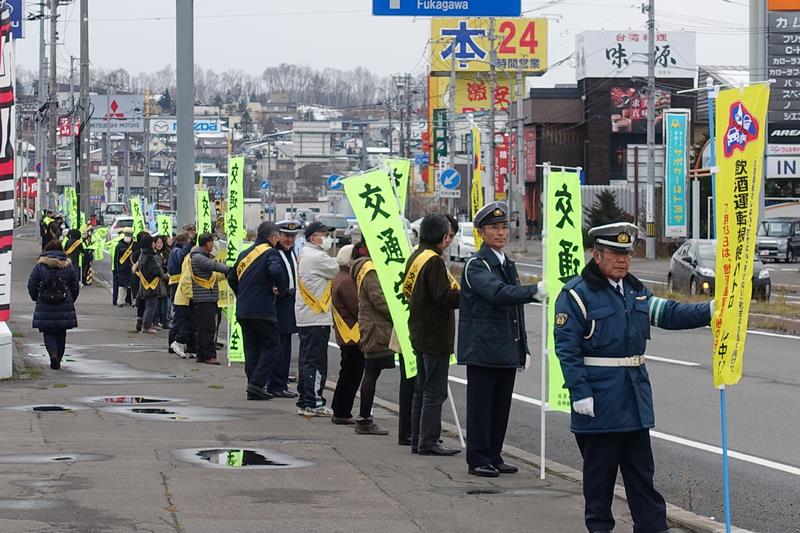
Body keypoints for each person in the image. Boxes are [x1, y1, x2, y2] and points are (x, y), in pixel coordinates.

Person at [553, 222, 712, 533]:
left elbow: (669, 313)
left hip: (635, 400)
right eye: (615, 253)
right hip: (599, 403)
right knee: (599, 481)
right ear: (596, 255)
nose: (623, 260)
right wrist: (580, 392)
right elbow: (567, 349)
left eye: (626, 254)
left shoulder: (636, 292)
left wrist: (711, 310)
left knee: (642, 475)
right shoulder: (576, 295)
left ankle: (652, 528)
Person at [457, 201, 545, 478]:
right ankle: (478, 458)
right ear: (482, 233)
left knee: (500, 407)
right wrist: (535, 290)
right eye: (494, 228)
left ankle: (494, 454)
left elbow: (515, 312)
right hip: (483, 349)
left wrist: (524, 349)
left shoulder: (507, 263)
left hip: (506, 348)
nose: (501, 233)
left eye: (504, 227)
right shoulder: (476, 265)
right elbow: (498, 294)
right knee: (481, 408)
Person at [405, 214, 461, 456]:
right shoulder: (434, 261)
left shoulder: (416, 256)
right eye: (447, 234)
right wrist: (465, 294)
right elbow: (444, 297)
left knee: (420, 390)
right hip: (435, 334)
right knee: (434, 391)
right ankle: (429, 441)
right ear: (439, 236)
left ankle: (418, 439)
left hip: (419, 330)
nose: (448, 239)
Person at [228, 221, 287, 400]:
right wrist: (281, 290)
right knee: (272, 345)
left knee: (251, 348)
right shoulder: (271, 253)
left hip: (244, 308)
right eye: (278, 237)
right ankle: (257, 383)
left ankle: (253, 386)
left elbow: (231, 276)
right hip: (262, 308)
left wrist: (242, 293)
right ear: (272, 237)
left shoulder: (245, 253)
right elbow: (276, 272)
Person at [294, 221, 338, 417]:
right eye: (324, 234)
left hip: (308, 316)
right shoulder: (317, 257)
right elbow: (340, 267)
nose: (328, 238)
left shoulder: (306, 253)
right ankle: (314, 402)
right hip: (315, 317)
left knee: (306, 360)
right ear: (313, 237)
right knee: (316, 361)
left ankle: (305, 400)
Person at [351, 244, 394, 436]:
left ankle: (364, 418)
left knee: (371, 371)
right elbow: (379, 300)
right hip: (376, 328)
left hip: (373, 327)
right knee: (372, 371)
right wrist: (399, 317)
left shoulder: (362, 268)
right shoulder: (369, 270)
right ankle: (364, 419)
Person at [27, 240, 80, 370]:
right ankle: (59, 357)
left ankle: (53, 354)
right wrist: (70, 299)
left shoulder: (40, 266)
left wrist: (35, 297)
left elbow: (32, 284)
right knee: (61, 332)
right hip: (63, 302)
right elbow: (75, 286)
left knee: (48, 331)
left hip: (45, 303)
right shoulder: (68, 266)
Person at [330, 243, 366, 425]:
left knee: (348, 374)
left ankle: (341, 409)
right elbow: (357, 307)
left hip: (346, 335)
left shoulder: (340, 277)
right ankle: (342, 411)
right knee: (351, 376)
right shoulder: (347, 281)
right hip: (352, 335)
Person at [268, 220, 302, 399]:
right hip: (279, 304)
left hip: (290, 304)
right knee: (279, 347)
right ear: (278, 236)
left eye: (293, 236)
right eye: (286, 235)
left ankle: (280, 382)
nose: (289, 239)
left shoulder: (291, 253)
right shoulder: (274, 253)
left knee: (286, 345)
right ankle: (276, 384)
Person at [189, 233, 230, 365]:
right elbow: (213, 266)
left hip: (205, 298)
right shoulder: (198, 257)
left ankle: (201, 354)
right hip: (204, 298)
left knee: (203, 328)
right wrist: (231, 269)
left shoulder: (198, 255)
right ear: (207, 243)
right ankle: (209, 355)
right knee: (208, 328)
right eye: (212, 242)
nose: (213, 245)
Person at [169, 227, 196, 357]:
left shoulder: (177, 251)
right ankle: (173, 343)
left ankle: (187, 346)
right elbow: (181, 258)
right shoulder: (178, 252)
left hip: (180, 288)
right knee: (181, 320)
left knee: (185, 320)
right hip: (179, 288)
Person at [134, 233, 166, 334]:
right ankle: (146, 326)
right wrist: (164, 274)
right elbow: (157, 270)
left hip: (144, 284)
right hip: (152, 285)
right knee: (151, 307)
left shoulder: (142, 254)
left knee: (147, 306)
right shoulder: (151, 257)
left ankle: (144, 324)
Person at [112, 228, 134, 307]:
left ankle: (131, 301)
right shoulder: (119, 245)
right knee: (122, 286)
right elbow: (116, 259)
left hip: (132, 269)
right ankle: (120, 301)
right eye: (126, 235)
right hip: (122, 269)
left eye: (129, 235)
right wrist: (116, 270)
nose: (128, 237)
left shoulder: (133, 245)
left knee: (132, 286)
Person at [154, 235, 172, 329]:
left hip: (167, 282)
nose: (159, 245)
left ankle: (165, 320)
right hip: (160, 282)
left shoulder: (167, 253)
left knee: (166, 304)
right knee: (160, 304)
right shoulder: (155, 255)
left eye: (161, 243)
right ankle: (161, 321)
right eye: (157, 243)